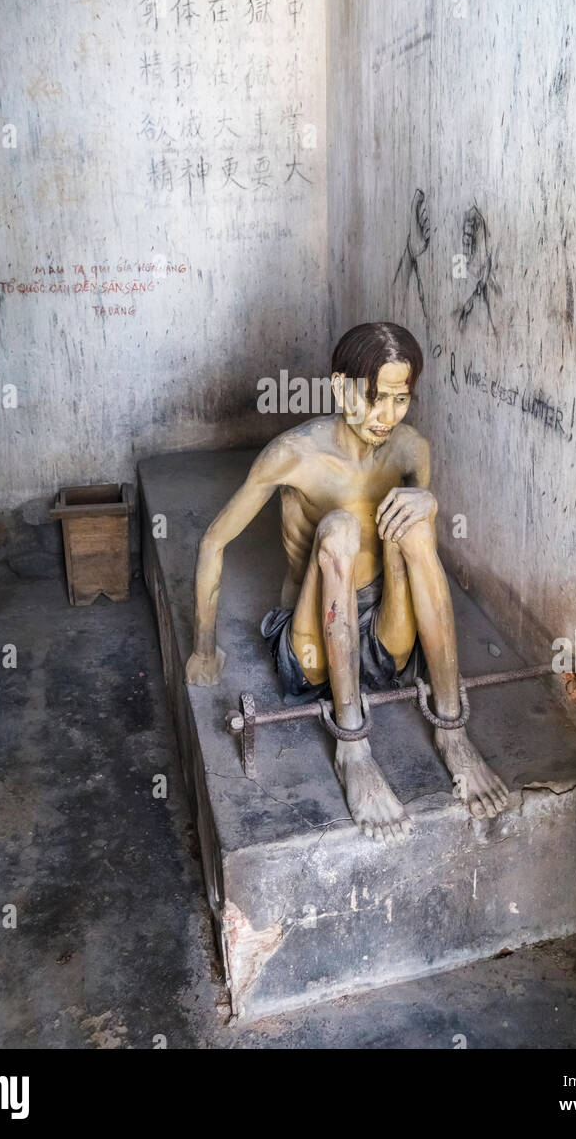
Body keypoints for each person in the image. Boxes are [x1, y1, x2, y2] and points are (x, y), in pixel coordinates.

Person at [186, 321, 508, 844]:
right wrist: (204, 648)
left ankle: (453, 731)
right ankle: (353, 750)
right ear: (340, 388)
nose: (385, 417)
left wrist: (429, 503)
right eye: (372, 398)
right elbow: (212, 542)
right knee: (339, 529)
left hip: (384, 637)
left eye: (399, 400)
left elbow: (414, 554)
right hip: (313, 645)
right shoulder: (295, 454)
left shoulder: (410, 450)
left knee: (417, 518)